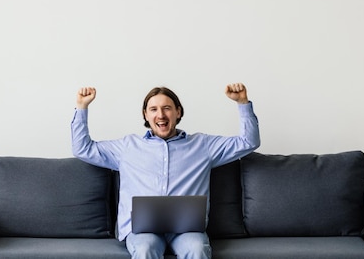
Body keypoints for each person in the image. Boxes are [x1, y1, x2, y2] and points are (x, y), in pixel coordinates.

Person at [71, 83, 260, 259]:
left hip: (186, 231)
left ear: (178, 112)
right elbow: (83, 149)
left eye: (167, 108)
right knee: (145, 249)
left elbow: (248, 142)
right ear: (145, 115)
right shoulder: (127, 147)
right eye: (153, 109)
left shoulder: (202, 146)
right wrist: (82, 107)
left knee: (197, 248)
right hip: (143, 232)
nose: (160, 115)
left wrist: (242, 103)